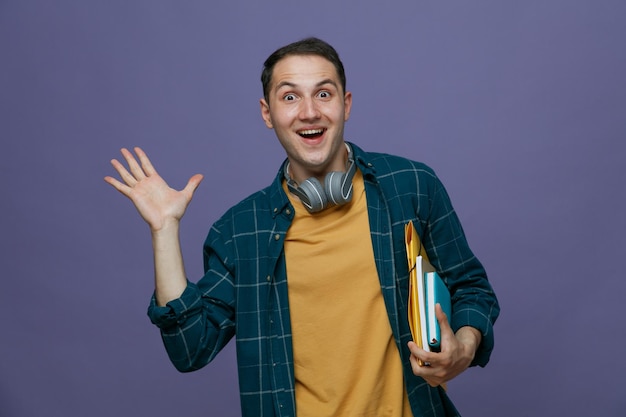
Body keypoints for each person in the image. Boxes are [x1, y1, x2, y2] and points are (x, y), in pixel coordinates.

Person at [105, 37, 499, 417]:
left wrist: (463, 347)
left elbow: (471, 288)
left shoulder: (411, 187)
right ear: (267, 113)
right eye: (289, 96)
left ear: (345, 105)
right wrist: (164, 231)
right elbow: (190, 349)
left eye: (323, 94)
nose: (309, 112)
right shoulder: (242, 231)